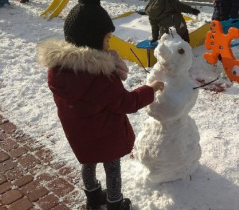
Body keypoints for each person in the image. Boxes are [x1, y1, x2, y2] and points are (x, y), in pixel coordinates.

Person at [37, 0, 164, 209]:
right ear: (92, 40)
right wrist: (150, 89)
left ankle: (93, 197)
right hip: (106, 136)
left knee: (88, 163)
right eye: (107, 40)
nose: (109, 45)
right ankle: (115, 203)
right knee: (112, 168)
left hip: (79, 135)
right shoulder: (100, 76)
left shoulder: (57, 70)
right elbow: (126, 102)